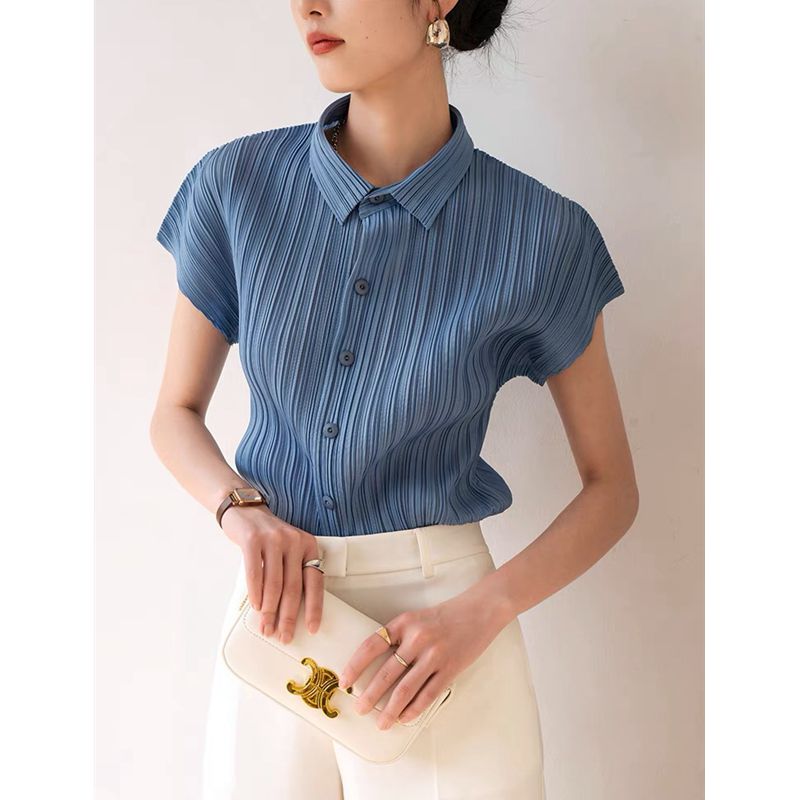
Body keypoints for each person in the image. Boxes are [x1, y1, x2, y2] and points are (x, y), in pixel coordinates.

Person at [149, 1, 640, 797]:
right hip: (273, 618)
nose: (307, 5)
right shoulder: (235, 186)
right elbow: (174, 413)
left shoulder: (541, 234)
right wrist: (241, 512)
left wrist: (482, 612)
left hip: (444, 638)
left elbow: (612, 489)